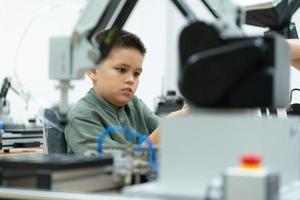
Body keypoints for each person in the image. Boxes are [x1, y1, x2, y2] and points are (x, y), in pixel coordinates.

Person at [65, 29, 187, 155]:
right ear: (93, 71)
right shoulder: (81, 117)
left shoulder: (135, 104)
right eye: (121, 70)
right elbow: (117, 165)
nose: (131, 80)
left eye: (136, 74)